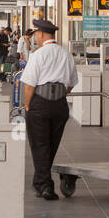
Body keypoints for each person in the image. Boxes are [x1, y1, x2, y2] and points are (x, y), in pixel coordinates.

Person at [20, 17, 77, 200]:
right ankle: (40, 183)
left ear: (42, 34)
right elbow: (71, 84)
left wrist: (27, 104)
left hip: (39, 104)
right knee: (51, 145)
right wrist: (60, 96)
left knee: (40, 145)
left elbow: (29, 84)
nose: (35, 37)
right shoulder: (66, 54)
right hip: (60, 105)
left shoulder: (38, 55)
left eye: (36, 33)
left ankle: (45, 186)